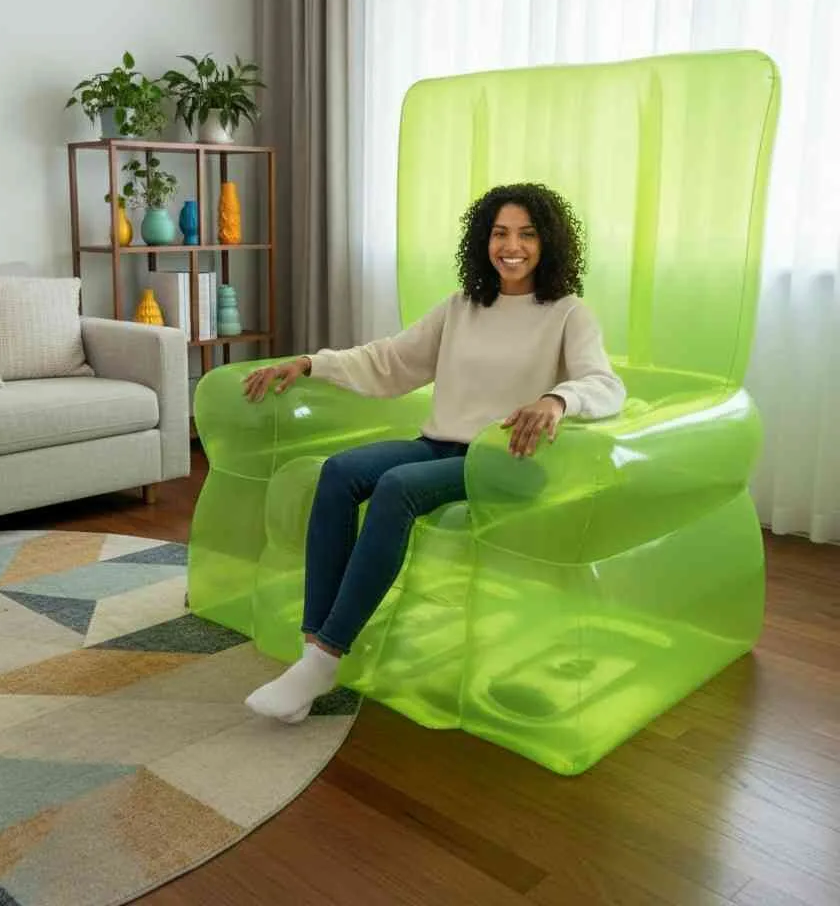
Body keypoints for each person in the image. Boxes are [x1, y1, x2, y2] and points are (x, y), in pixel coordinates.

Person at [240, 182, 626, 723]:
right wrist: (310, 363)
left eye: (526, 234)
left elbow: (607, 386)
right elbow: (390, 361)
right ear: (482, 242)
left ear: (549, 243)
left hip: (503, 463)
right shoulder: (461, 308)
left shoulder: (567, 313)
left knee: (397, 488)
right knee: (339, 472)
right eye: (499, 233)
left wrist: (557, 399)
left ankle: (326, 658)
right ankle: (311, 651)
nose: (511, 246)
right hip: (439, 444)